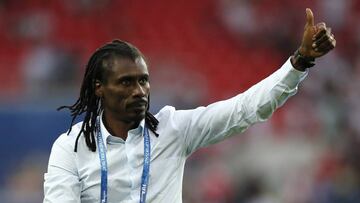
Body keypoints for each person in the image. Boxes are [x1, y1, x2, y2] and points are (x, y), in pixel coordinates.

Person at [43, 8, 336, 203]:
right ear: (99, 88)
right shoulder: (71, 148)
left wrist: (299, 62)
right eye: (126, 82)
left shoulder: (174, 129)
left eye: (143, 81)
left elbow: (245, 109)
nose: (140, 91)